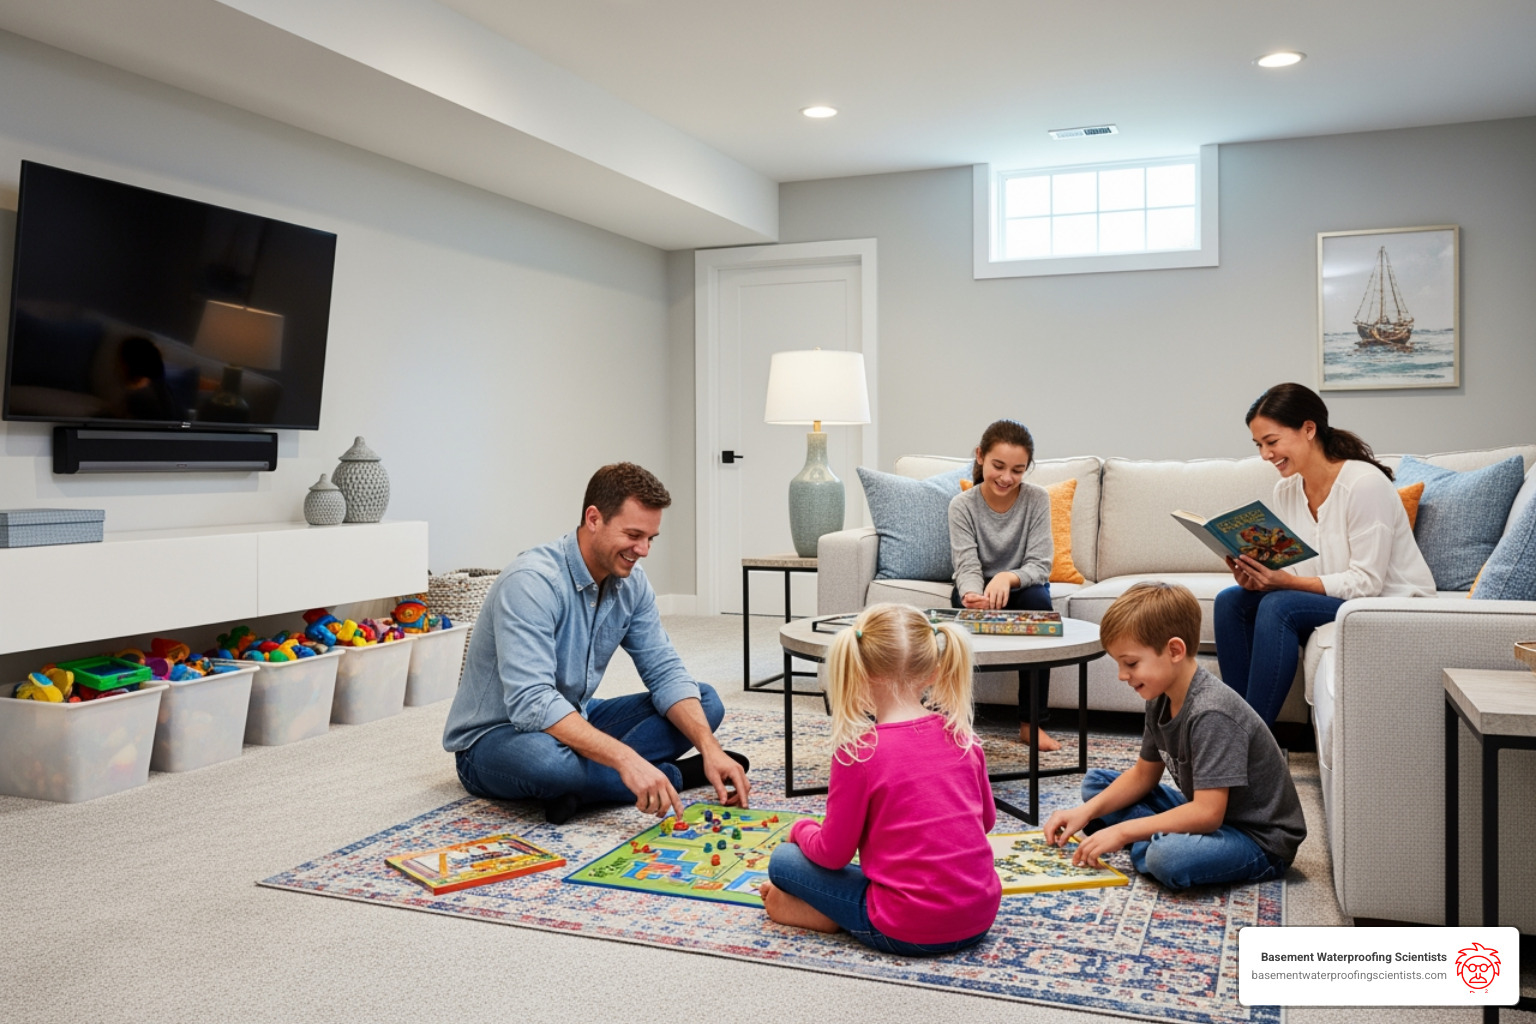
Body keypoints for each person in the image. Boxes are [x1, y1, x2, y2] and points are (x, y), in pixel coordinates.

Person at [442, 463, 750, 825]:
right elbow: (531, 704)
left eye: (651, 538)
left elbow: (664, 670)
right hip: (497, 738)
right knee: (547, 763)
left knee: (705, 702)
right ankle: (673, 776)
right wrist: (627, 760)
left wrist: (709, 748)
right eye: (634, 534)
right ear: (593, 518)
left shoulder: (632, 583)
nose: (644, 549)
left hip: (575, 717)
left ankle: (585, 790)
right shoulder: (531, 582)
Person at [760, 603, 1000, 956]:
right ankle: (836, 911)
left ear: (857, 670)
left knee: (783, 861)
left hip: (906, 929)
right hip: (980, 917)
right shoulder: (964, 738)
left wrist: (801, 830)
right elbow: (987, 822)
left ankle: (832, 915)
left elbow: (833, 855)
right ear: (934, 670)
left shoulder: (858, 752)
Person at [1043, 581, 1306, 890]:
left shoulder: (1212, 712)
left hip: (1258, 839)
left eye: (1130, 663)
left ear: (1175, 651)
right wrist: (1083, 812)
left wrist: (1125, 832)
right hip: (1210, 811)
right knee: (1097, 784)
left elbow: (1208, 815)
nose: (1121, 675)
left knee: (1166, 858)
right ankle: (1154, 837)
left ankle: (1153, 843)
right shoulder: (1160, 697)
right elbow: (1144, 776)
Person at [1213, 382, 1435, 726]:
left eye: (1271, 442)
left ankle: (1250, 744)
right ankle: (1236, 730)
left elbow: (1367, 583)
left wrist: (1284, 585)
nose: (1265, 455)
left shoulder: (1364, 484)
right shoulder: (1286, 490)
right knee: (1231, 601)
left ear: (1308, 429)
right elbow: (1298, 567)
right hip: (1336, 601)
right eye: (1259, 445)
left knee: (1278, 606)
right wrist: (1260, 577)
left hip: (1387, 604)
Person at [948, 418, 1059, 749]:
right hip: (977, 586)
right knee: (958, 618)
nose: (1007, 478)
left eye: (1018, 470)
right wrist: (972, 594)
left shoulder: (1036, 500)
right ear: (980, 456)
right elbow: (966, 564)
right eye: (998, 466)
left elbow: (1040, 565)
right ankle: (955, 720)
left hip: (1022, 584)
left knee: (1040, 605)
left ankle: (1031, 724)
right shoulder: (962, 506)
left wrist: (1006, 578)